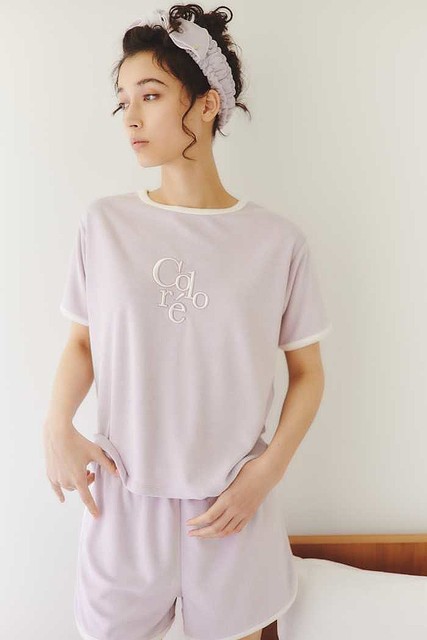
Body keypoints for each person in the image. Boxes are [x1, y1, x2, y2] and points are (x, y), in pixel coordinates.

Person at [42, 4, 332, 640]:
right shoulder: (105, 225)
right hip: (124, 503)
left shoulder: (276, 243)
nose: (132, 117)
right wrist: (56, 425)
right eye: (124, 102)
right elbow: (82, 344)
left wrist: (267, 474)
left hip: (233, 506)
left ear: (207, 104)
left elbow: (308, 373)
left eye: (150, 95)